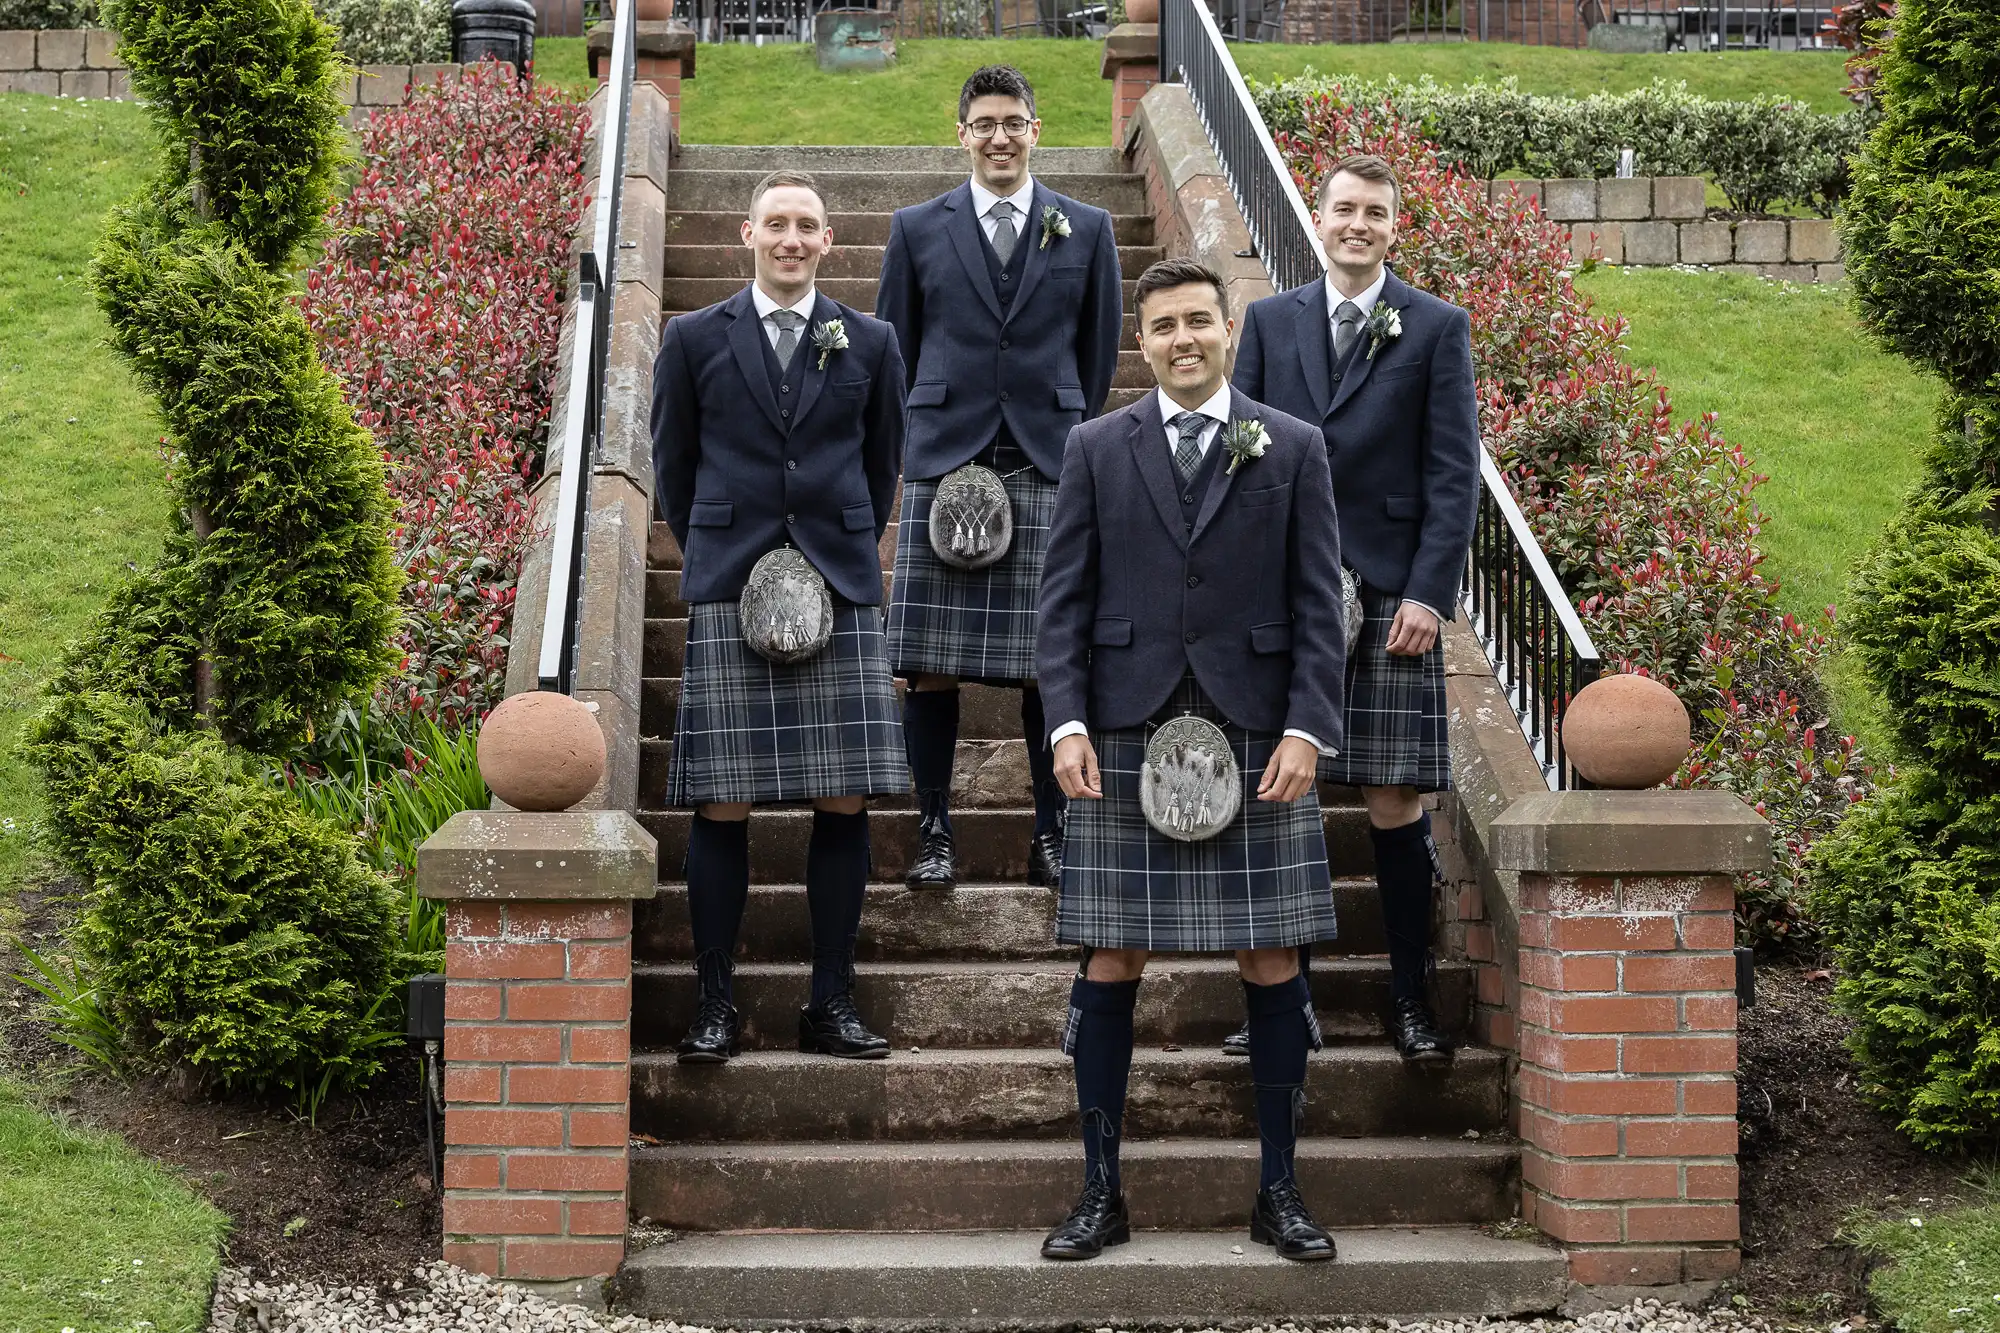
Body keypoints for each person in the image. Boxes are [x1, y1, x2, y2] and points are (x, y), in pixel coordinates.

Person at [1036, 258, 1348, 1264]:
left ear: (1229, 329)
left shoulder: (1293, 446)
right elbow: (1061, 607)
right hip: (1124, 726)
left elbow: (1315, 607)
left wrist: (1308, 727)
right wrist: (1065, 723)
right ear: (1142, 342)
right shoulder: (1092, 447)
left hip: (1257, 728)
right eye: (1162, 326)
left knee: (1270, 954)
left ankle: (1279, 1191)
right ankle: (1097, 1192)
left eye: (1197, 323)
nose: (1180, 339)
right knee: (1109, 953)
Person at [650, 169, 909, 1065]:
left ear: (829, 241)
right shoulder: (691, 338)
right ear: (747, 235)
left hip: (838, 580)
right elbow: (673, 464)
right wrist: (720, 552)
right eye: (777, 225)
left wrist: (840, 546)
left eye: (808, 225)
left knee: (844, 798)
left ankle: (829, 1002)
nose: (792, 239)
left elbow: (884, 466)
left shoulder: (870, 340)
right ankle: (716, 1005)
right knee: (722, 803)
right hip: (730, 579)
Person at [1229, 153, 1480, 1064]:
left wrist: (1427, 590)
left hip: (1387, 595)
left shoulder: (1436, 328)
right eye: (1345, 208)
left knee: (1391, 796)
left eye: (1376, 211)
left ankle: (1409, 998)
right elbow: (1238, 458)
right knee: (1273, 794)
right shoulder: (1264, 322)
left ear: (1393, 226)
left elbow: (1453, 472)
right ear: (1320, 218)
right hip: (1282, 593)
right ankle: (1274, 998)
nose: (1358, 223)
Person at [875, 63, 1124, 892]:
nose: (999, 137)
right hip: (946, 456)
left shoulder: (1085, 228)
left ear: (1036, 129)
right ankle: (935, 828)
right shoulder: (917, 228)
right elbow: (893, 350)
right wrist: (920, 436)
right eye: (983, 123)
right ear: (962, 135)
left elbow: (1098, 352)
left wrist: (1069, 434)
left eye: (1013, 121)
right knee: (931, 663)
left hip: (1048, 458)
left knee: (1045, 659)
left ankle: (1049, 836)